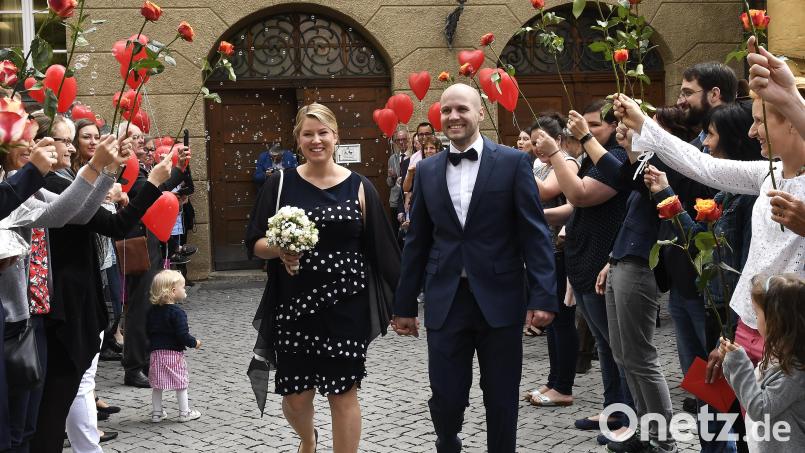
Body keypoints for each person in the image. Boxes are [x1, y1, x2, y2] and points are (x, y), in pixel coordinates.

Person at [393, 83, 556, 453]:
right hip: (446, 300)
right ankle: (447, 440)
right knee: (446, 395)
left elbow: (535, 234)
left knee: (501, 396)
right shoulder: (429, 170)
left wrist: (543, 295)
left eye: (462, 109)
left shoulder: (513, 163)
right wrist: (403, 305)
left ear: (480, 112)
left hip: (501, 299)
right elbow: (417, 241)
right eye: (447, 110)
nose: (454, 117)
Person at [245, 102, 399, 453]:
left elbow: (383, 249)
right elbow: (254, 242)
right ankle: (308, 439)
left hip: (347, 304)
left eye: (322, 133)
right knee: (297, 398)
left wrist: (403, 305)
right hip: (294, 303)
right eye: (308, 134)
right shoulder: (280, 183)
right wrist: (280, 248)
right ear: (297, 140)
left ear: (335, 137)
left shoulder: (360, 187)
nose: (316, 140)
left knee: (343, 393)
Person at [613, 91, 805, 369]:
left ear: (791, 121)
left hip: (790, 332)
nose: (753, 132)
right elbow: (702, 166)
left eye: (760, 121)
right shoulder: (766, 174)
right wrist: (643, 123)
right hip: (747, 323)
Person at [30, 135, 175, 451]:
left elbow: (89, 211)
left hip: (73, 297)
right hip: (65, 303)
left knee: (71, 388)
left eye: (71, 140)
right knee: (61, 397)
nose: (68, 147)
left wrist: (108, 170)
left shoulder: (63, 178)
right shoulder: (51, 183)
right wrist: (149, 182)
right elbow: (111, 222)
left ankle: (85, 441)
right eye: (60, 139)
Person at [0, 115, 122, 451]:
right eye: (26, 140)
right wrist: (98, 168)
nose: (33, 146)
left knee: (27, 425)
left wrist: (105, 170)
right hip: (22, 314)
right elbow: (72, 212)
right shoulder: (15, 184)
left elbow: (69, 214)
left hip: (28, 316)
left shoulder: (26, 184)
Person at [532, 102, 635, 446]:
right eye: (584, 125)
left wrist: (555, 154)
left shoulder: (618, 159)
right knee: (605, 346)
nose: (583, 132)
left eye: (594, 126)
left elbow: (579, 194)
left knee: (620, 350)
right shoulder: (597, 159)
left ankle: (627, 417)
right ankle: (612, 409)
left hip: (600, 263)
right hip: (583, 263)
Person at [521, 115, 579, 408]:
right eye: (533, 144)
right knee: (552, 320)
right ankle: (554, 379)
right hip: (543, 247)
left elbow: (546, 193)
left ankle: (564, 385)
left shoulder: (566, 163)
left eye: (541, 142)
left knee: (562, 320)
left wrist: (517, 168)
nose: (537, 148)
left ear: (558, 140)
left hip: (561, 247)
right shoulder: (538, 165)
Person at [720, 274, 805, 453]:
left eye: (756, 312)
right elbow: (749, 394)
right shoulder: (778, 354)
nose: (754, 318)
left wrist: (739, 364)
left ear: (774, 321)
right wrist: (731, 363)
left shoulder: (795, 370)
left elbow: (761, 409)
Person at [147, 270, 202, 423]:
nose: (185, 289)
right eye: (183, 287)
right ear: (173, 291)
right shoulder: (178, 313)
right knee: (181, 383)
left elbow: (148, 331)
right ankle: (184, 412)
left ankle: (157, 413)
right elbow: (182, 335)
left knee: (157, 385)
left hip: (156, 353)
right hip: (173, 354)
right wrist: (194, 342)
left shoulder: (152, 312)